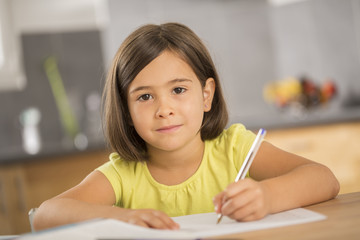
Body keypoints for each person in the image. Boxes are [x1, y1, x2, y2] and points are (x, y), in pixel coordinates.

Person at [33, 22, 340, 231]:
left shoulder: (234, 147)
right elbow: (46, 215)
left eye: (178, 90)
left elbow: (324, 179)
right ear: (125, 111)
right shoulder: (123, 174)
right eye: (145, 96)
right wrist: (122, 217)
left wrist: (268, 196)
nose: (164, 109)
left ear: (206, 95)